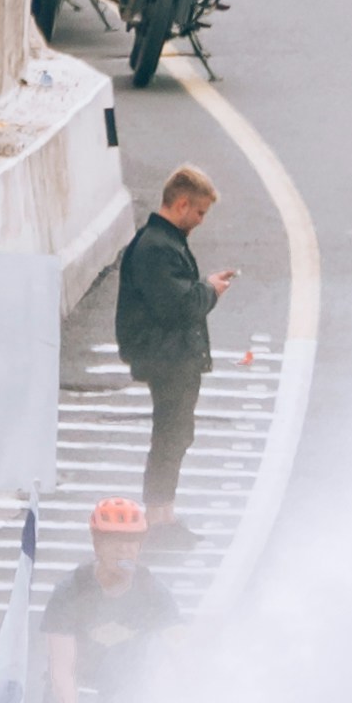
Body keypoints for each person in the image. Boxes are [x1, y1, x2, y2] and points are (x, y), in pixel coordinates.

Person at [116, 167, 232, 522]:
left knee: (176, 434)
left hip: (172, 355)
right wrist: (209, 289)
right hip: (166, 356)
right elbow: (179, 306)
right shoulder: (157, 247)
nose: (200, 220)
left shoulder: (163, 242)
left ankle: (163, 513)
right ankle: (157, 517)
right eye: (199, 212)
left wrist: (204, 288)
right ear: (182, 204)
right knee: (170, 436)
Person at [39, 496, 186, 703]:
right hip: (83, 690)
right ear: (97, 546)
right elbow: (61, 664)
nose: (123, 549)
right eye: (113, 541)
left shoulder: (153, 592)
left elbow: (179, 653)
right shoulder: (71, 591)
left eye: (131, 541)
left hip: (133, 693)